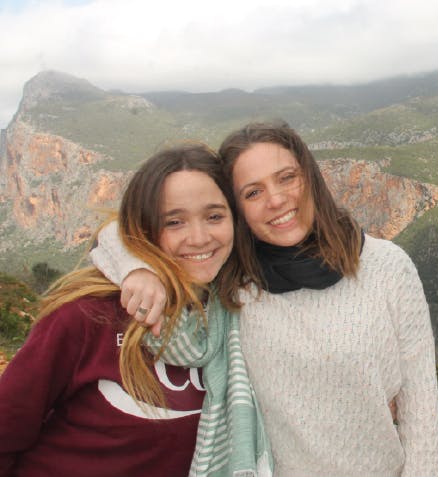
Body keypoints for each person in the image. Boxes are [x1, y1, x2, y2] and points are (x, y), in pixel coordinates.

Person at [90, 121, 438, 476]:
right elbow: (116, 233)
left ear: (310, 177)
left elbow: (423, 420)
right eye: (253, 193)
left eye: (287, 178)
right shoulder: (230, 278)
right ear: (235, 209)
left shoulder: (386, 266)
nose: (277, 200)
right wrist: (137, 270)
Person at [0, 143, 267, 476]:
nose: (199, 238)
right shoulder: (87, 316)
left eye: (214, 216)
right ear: (143, 230)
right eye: (174, 222)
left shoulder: (239, 311)